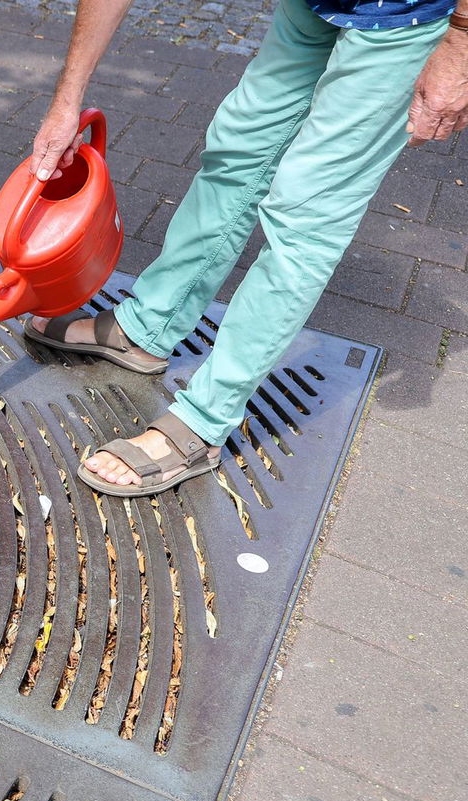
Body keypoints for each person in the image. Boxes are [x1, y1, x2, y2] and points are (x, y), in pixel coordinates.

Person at [27, 0, 468, 497]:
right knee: (237, 152)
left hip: (407, 18)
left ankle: (203, 420)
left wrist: (461, 42)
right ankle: (148, 327)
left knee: (307, 210)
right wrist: (66, 102)